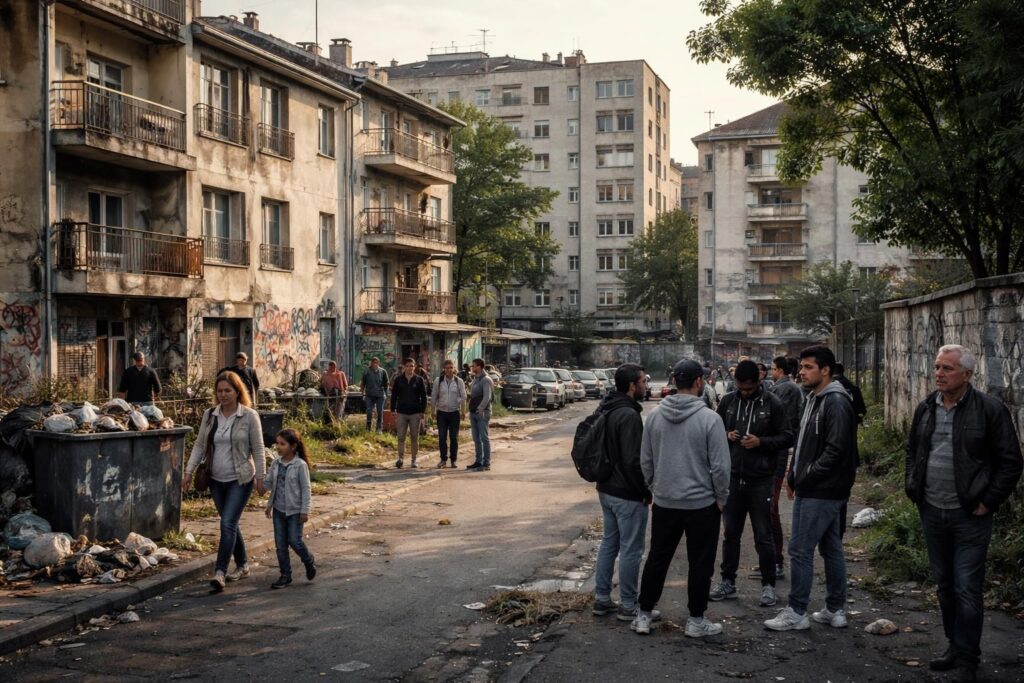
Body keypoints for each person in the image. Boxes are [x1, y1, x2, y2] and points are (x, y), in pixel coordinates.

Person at [905, 344, 1022, 681]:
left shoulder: (989, 409)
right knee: (944, 586)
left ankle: (969, 658)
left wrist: (988, 502)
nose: (939, 374)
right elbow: (913, 450)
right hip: (931, 510)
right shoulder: (927, 407)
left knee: (967, 587)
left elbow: (1011, 462)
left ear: (967, 374)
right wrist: (913, 486)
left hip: (970, 514)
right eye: (937, 367)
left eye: (947, 368)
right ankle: (954, 646)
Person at [632, 360, 730, 638]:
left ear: (674, 381)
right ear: (700, 381)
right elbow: (720, 467)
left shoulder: (654, 416)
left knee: (657, 558)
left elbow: (645, 460)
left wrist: (656, 487)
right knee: (700, 562)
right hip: (702, 504)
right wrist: (721, 497)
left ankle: (643, 614)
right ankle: (696, 620)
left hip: (665, 502)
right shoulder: (710, 419)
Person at [765, 345, 857, 632]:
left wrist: (804, 476)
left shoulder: (836, 401)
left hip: (821, 489)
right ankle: (835, 609)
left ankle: (796, 611)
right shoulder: (814, 398)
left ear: (825, 370)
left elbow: (836, 450)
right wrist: (794, 475)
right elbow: (805, 443)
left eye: (808, 367)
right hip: (818, 487)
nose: (801, 372)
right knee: (831, 548)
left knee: (800, 550)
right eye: (801, 367)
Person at [710, 360, 794, 608]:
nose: (745, 392)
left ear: (759, 382)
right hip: (733, 478)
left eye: (750, 388)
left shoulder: (773, 403)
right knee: (730, 534)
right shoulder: (728, 401)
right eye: (741, 388)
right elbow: (713, 431)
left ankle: (768, 585)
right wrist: (726, 435)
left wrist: (761, 442)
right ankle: (728, 582)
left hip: (761, 479)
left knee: (763, 535)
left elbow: (787, 437)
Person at [183, 372, 266, 592]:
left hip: (240, 479)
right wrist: (188, 472)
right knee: (230, 523)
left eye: (228, 390)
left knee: (227, 523)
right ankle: (243, 564)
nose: (223, 395)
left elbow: (258, 449)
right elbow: (200, 445)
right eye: (219, 391)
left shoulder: (249, 416)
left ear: (238, 392)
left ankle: (220, 572)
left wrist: (261, 478)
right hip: (215, 479)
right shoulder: (210, 415)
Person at [591, 364, 651, 622]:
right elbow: (633, 461)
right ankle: (628, 605)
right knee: (631, 550)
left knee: (609, 544)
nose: (646, 386)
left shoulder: (607, 407)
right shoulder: (628, 414)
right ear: (631, 386)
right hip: (626, 493)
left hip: (606, 488)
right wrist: (645, 491)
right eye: (642, 382)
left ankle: (602, 599)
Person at [766, 355, 805, 578]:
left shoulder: (785, 390)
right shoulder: (785, 389)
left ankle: (776, 561)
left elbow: (782, 424)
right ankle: (772, 559)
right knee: (767, 509)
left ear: (779, 370)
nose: (771, 372)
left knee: (770, 508)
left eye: (772, 369)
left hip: (777, 453)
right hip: (776, 452)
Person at [265, 428, 315, 589]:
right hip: (278, 510)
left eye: (282, 444)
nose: (278, 447)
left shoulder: (300, 465)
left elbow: (306, 489)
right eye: (277, 443)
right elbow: (269, 484)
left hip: (295, 511)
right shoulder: (276, 463)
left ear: (293, 446)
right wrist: (256, 481)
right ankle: (285, 575)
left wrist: (305, 510)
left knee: (295, 541)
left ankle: (308, 560)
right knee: (280, 545)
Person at [391, 358, 428, 468]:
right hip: (401, 412)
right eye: (407, 366)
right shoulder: (398, 380)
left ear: (414, 367)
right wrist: (393, 409)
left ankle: (414, 460)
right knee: (401, 436)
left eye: (411, 366)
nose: (409, 368)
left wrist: (422, 411)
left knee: (414, 437)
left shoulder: (419, 380)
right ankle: (400, 458)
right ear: (404, 367)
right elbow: (394, 395)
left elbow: (424, 396)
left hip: (415, 413)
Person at [432, 359, 467, 468]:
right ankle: (443, 459)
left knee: (453, 437)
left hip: (454, 413)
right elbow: (434, 397)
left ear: (454, 369)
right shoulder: (438, 381)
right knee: (442, 437)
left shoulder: (459, 381)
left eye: (451, 368)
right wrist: (433, 411)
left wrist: (463, 411)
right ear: (444, 369)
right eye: (447, 368)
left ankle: (453, 460)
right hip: (441, 413)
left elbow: (463, 397)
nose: (449, 370)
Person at [466, 358, 493, 471]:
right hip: (473, 411)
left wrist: (480, 408)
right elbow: (473, 395)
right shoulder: (475, 379)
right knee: (476, 438)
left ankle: (486, 463)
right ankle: (478, 461)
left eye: (474, 366)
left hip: (483, 412)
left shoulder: (486, 380)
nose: (472, 368)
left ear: (480, 366)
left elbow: (487, 397)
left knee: (484, 437)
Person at [360, 357, 389, 432]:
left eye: (376, 362)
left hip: (380, 395)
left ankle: (379, 428)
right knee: (369, 411)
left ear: (378, 363)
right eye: (373, 362)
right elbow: (363, 383)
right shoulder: (366, 371)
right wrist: (362, 393)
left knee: (380, 411)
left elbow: (386, 384)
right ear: (371, 363)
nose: (375, 364)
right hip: (369, 395)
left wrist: (386, 394)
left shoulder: (383, 371)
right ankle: (368, 428)